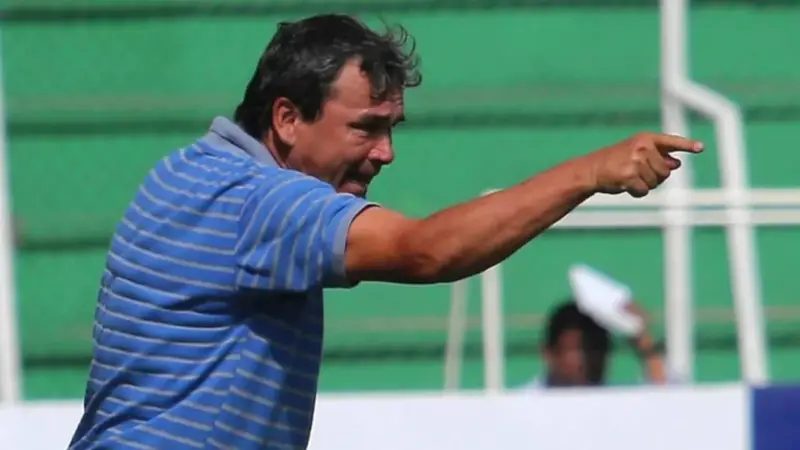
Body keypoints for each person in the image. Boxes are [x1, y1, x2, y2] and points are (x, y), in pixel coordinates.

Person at [68, 13, 703, 450]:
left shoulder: (194, 173)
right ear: (287, 119)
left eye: (391, 129)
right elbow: (427, 251)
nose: (386, 153)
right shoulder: (254, 200)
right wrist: (590, 172)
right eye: (366, 128)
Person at [527, 300, 666, 388]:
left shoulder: (618, 403)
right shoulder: (525, 405)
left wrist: (644, 341)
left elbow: (665, 403)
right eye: (578, 349)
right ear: (548, 353)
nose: (587, 361)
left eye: (595, 349)